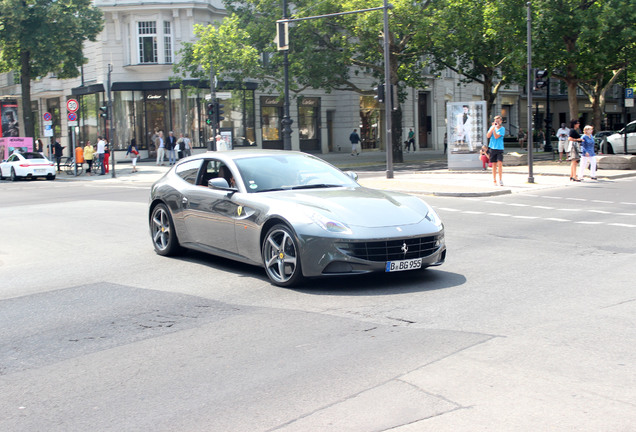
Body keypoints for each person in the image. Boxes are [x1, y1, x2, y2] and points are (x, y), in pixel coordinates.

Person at [487, 115, 505, 186]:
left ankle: (500, 179)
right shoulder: (492, 127)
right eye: (496, 121)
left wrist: (494, 130)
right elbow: (488, 136)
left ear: (500, 122)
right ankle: (494, 179)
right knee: (493, 164)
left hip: (499, 148)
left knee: (500, 163)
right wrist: (492, 128)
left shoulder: (502, 129)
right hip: (492, 147)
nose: (497, 122)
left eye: (498, 121)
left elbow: (496, 136)